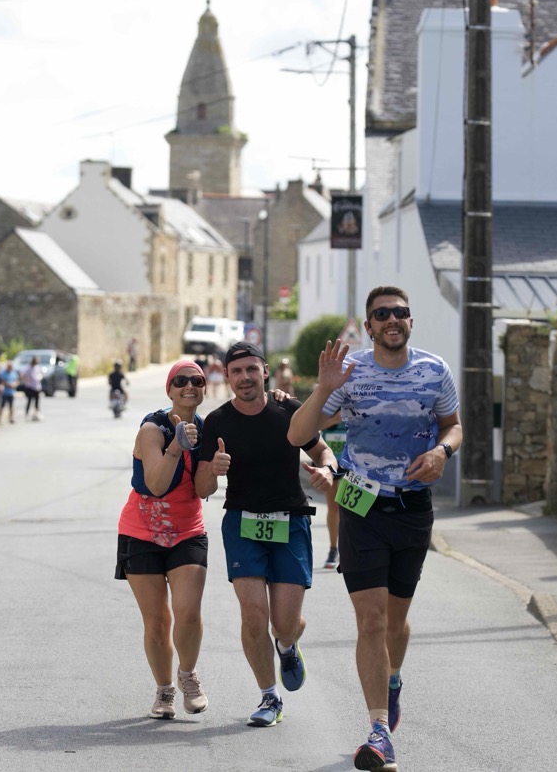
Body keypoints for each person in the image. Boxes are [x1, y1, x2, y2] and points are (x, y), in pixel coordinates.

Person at [288, 286, 461, 771]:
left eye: (399, 312)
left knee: (396, 623)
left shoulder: (435, 370)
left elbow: (454, 425)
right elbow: (298, 434)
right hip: (359, 505)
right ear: (368, 327)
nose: (391, 319)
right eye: (381, 314)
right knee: (371, 621)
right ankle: (379, 731)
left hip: (412, 508)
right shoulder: (350, 373)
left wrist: (442, 451)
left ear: (410, 321)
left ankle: (393, 678)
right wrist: (323, 387)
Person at [195, 341, 338, 728]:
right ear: (227, 377)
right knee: (254, 615)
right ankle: (269, 696)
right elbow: (202, 488)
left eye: (251, 370)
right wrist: (214, 469)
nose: (244, 378)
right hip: (242, 522)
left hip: (290, 521)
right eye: (236, 371)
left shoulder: (288, 410)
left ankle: (288, 644)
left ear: (265, 372)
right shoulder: (217, 422)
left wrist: (328, 471)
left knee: (284, 623)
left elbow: (323, 452)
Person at [116, 360, 210, 720]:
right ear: (169, 390)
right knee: (157, 621)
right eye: (181, 381)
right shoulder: (152, 430)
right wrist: (177, 447)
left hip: (187, 531)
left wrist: (214, 469)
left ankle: (188, 675)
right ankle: (164, 689)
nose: (189, 386)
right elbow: (155, 485)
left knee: (188, 612)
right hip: (141, 533)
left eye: (197, 380)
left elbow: (204, 490)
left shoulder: (207, 429)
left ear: (204, 388)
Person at [20, 355, 42, 421]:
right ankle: (27, 414)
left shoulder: (37, 367)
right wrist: (26, 380)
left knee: (37, 402)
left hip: (37, 387)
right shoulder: (28, 368)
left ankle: (36, 414)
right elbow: (22, 375)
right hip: (30, 387)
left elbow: (40, 375)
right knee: (29, 401)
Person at [0, 360, 19, 424]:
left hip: (11, 392)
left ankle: (11, 418)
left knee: (11, 406)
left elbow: (17, 381)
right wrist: (7, 384)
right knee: (2, 406)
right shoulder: (3, 373)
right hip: (5, 392)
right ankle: (0, 418)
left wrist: (14, 384)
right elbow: (1, 381)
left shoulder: (14, 373)